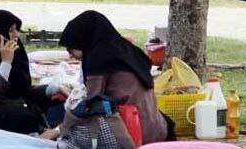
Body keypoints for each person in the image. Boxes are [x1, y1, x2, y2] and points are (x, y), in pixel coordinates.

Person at [60, 11, 171, 144]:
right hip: (158, 128)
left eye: (70, 49)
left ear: (83, 41)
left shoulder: (98, 59)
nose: (70, 56)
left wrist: (60, 129)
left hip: (135, 132)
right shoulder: (126, 49)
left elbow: (91, 103)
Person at [0, 10, 65, 134]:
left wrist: (50, 90)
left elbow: (22, 90)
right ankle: (45, 132)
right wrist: (6, 63)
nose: (16, 34)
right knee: (23, 117)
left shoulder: (15, 51)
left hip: (7, 105)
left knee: (57, 101)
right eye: (10, 30)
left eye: (17, 29)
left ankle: (50, 129)